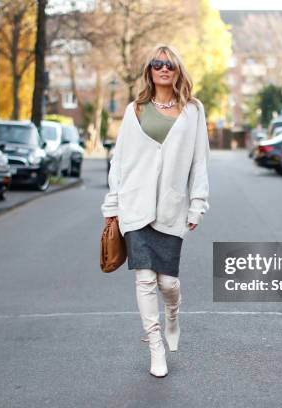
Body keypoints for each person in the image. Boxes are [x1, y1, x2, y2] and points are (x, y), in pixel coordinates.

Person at [100, 44, 210, 378]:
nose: (163, 69)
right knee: (145, 278)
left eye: (170, 65)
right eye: (157, 64)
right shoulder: (135, 110)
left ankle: (174, 312)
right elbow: (120, 160)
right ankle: (155, 345)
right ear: (149, 71)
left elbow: (200, 160)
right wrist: (112, 204)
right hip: (135, 205)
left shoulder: (193, 110)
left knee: (168, 283)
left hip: (172, 207)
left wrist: (197, 204)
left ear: (178, 71)